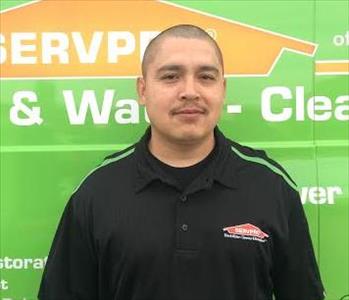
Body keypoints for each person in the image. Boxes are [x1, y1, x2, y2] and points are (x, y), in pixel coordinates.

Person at [38, 24, 325, 300]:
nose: (190, 91)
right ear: (142, 90)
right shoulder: (97, 192)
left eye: (206, 77)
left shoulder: (270, 186)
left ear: (222, 89)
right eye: (171, 76)